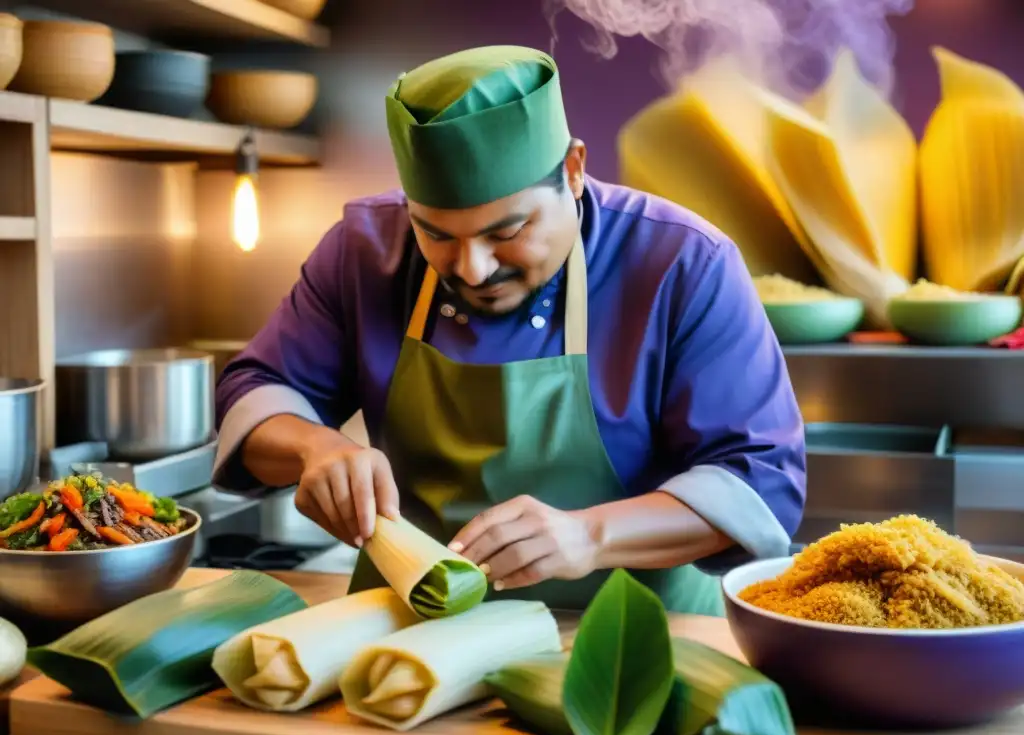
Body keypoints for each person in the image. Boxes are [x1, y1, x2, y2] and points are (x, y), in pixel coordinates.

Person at [213, 45, 806, 615]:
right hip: (413, 633)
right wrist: (315, 447)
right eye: (437, 235)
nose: (472, 268)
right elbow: (257, 392)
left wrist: (590, 535)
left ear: (573, 171)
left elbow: (758, 482)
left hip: (630, 642)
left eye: (507, 231)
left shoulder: (682, 262)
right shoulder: (363, 251)